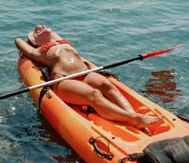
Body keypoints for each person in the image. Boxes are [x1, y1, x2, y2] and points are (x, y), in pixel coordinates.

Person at [15, 25, 160, 129]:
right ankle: (133, 119)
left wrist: (42, 33)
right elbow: (18, 42)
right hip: (64, 79)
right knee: (94, 94)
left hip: (85, 73)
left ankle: (132, 114)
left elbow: (49, 34)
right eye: (37, 32)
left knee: (109, 87)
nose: (40, 28)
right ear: (35, 42)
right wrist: (29, 41)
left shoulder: (60, 41)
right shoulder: (39, 52)